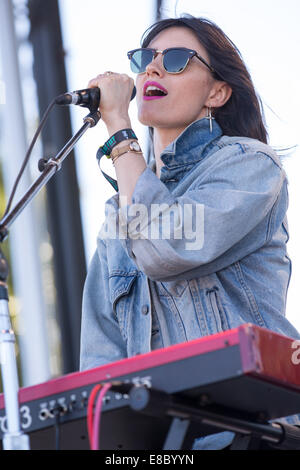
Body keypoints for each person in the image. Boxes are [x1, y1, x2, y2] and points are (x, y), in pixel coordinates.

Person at [80, 15, 300, 450]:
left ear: (216, 93)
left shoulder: (248, 166)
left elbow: (164, 248)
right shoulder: (119, 214)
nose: (152, 70)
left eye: (177, 60)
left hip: (253, 435)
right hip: (164, 447)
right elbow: (101, 364)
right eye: (146, 59)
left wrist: (120, 134)